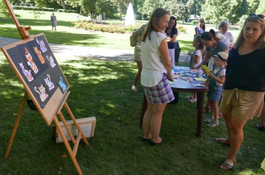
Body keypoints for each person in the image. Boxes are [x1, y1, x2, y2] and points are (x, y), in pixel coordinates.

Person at [216, 14, 265, 170]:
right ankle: (230, 140)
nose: (249, 32)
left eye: (254, 29)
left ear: (262, 31)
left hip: (250, 94)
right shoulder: (237, 46)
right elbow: (231, 67)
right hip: (230, 89)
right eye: (247, 28)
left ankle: (231, 158)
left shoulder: (263, 50)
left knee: (237, 126)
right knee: (226, 117)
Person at [141, 8, 174, 146]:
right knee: (158, 112)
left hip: (146, 77)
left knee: (150, 109)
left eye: (168, 21)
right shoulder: (160, 38)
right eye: (165, 21)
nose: (167, 24)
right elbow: (167, 61)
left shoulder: (146, 35)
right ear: (156, 20)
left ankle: (147, 135)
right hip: (157, 78)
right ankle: (155, 138)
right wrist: (171, 75)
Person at [199, 30, 228, 112]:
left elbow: (225, 61)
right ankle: (208, 107)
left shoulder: (222, 45)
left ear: (212, 40)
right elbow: (207, 57)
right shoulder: (209, 46)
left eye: (206, 43)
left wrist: (215, 71)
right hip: (214, 65)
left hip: (222, 68)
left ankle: (219, 111)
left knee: (219, 90)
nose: (205, 45)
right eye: (203, 43)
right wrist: (200, 64)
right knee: (211, 86)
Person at [203, 52, 227, 127]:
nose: (215, 61)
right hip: (211, 87)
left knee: (214, 105)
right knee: (211, 103)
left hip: (216, 89)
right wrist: (207, 73)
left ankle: (216, 121)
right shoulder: (215, 67)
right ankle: (212, 117)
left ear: (223, 61)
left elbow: (222, 81)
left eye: (217, 60)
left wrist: (212, 76)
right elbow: (211, 75)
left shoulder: (223, 70)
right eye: (215, 60)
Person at [185, 36, 204, 103]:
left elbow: (196, 61)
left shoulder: (198, 51)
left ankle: (195, 97)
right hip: (194, 69)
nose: (193, 42)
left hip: (196, 70)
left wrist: (190, 55)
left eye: (194, 41)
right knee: (192, 82)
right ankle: (192, 95)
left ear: (198, 43)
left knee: (195, 84)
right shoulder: (196, 50)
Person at [131, 23, 147, 92]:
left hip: (146, 50)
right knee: (141, 70)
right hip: (139, 50)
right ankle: (134, 85)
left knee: (146, 70)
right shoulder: (145, 27)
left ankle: (145, 85)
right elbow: (143, 38)